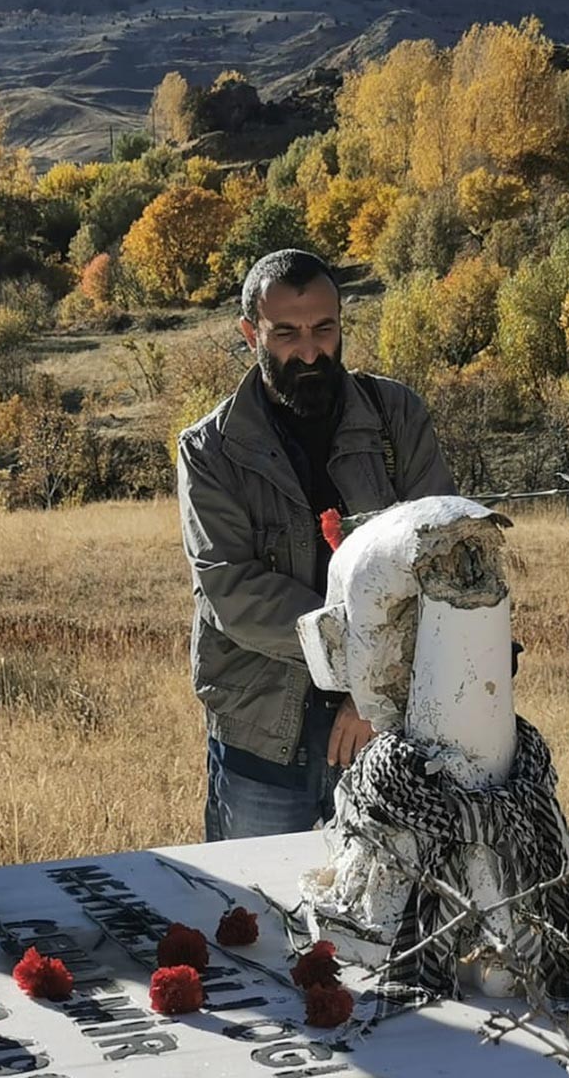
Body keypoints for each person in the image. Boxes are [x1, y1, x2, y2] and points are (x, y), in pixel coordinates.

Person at [177, 249, 455, 841]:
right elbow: (235, 594)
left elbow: (440, 557)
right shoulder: (209, 450)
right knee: (254, 915)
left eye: (323, 329)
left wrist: (372, 699)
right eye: (286, 333)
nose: (309, 351)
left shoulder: (395, 416)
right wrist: (363, 668)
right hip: (263, 733)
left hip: (389, 733)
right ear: (250, 332)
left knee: (393, 922)